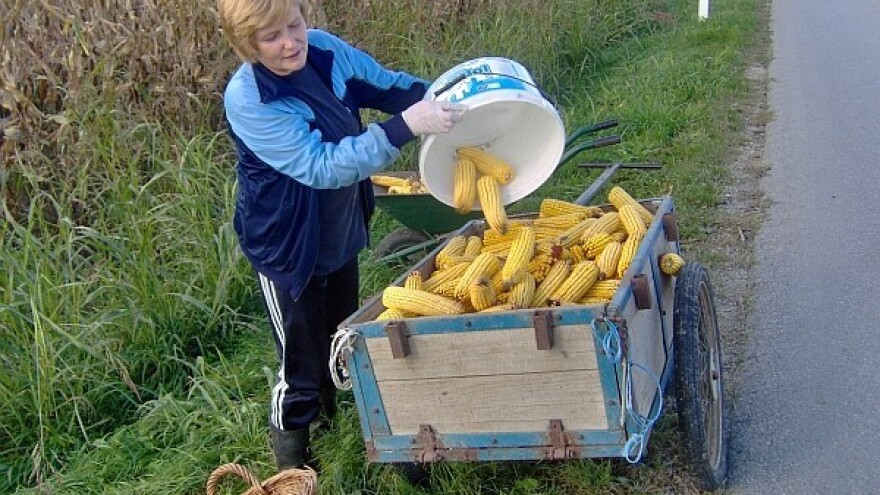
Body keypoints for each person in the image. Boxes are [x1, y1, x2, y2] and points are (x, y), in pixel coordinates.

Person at [217, 0, 465, 471]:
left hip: (339, 227)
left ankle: (338, 418)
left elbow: (387, 87)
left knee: (339, 333)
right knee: (300, 364)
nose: (291, 42)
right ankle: (293, 458)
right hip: (287, 245)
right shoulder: (250, 99)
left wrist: (441, 100)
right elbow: (320, 166)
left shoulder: (325, 52)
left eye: (295, 25)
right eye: (272, 38)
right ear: (247, 45)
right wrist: (404, 128)